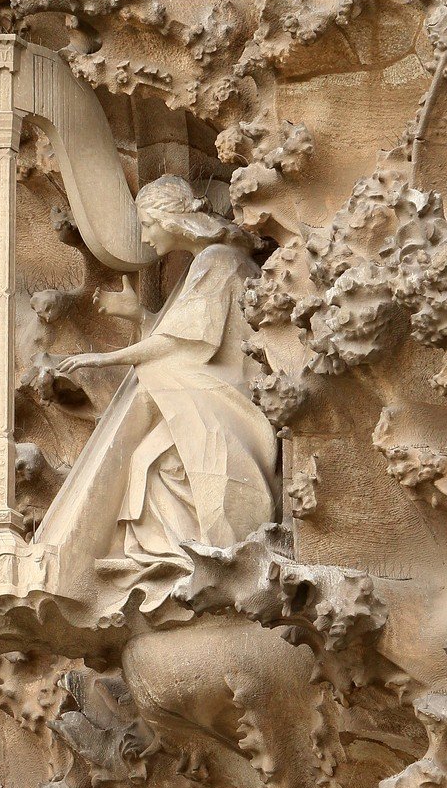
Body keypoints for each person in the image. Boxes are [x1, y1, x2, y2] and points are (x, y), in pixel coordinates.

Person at [40, 176, 277, 612]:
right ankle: (173, 560)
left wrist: (103, 359)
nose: (146, 237)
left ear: (173, 219)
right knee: (150, 459)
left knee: (162, 462)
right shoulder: (210, 262)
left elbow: (180, 344)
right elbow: (187, 338)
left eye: (148, 224)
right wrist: (142, 315)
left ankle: (199, 556)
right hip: (204, 389)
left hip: (223, 395)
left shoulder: (218, 261)